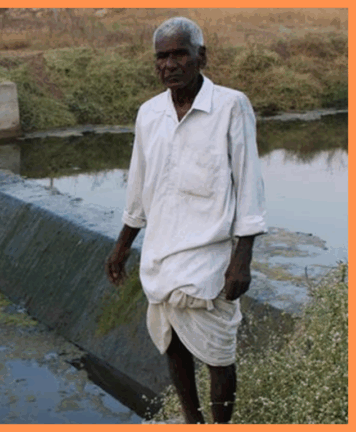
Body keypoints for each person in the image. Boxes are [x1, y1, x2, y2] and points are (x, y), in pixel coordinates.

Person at [105, 17, 267, 424]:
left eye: (179, 53)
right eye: (162, 56)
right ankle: (192, 421)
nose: (169, 64)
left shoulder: (231, 106)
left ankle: (220, 424)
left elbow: (249, 183)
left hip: (210, 254)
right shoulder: (149, 114)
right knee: (173, 345)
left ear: (201, 56)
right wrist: (124, 244)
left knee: (218, 354)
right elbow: (139, 184)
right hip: (160, 252)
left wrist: (241, 257)